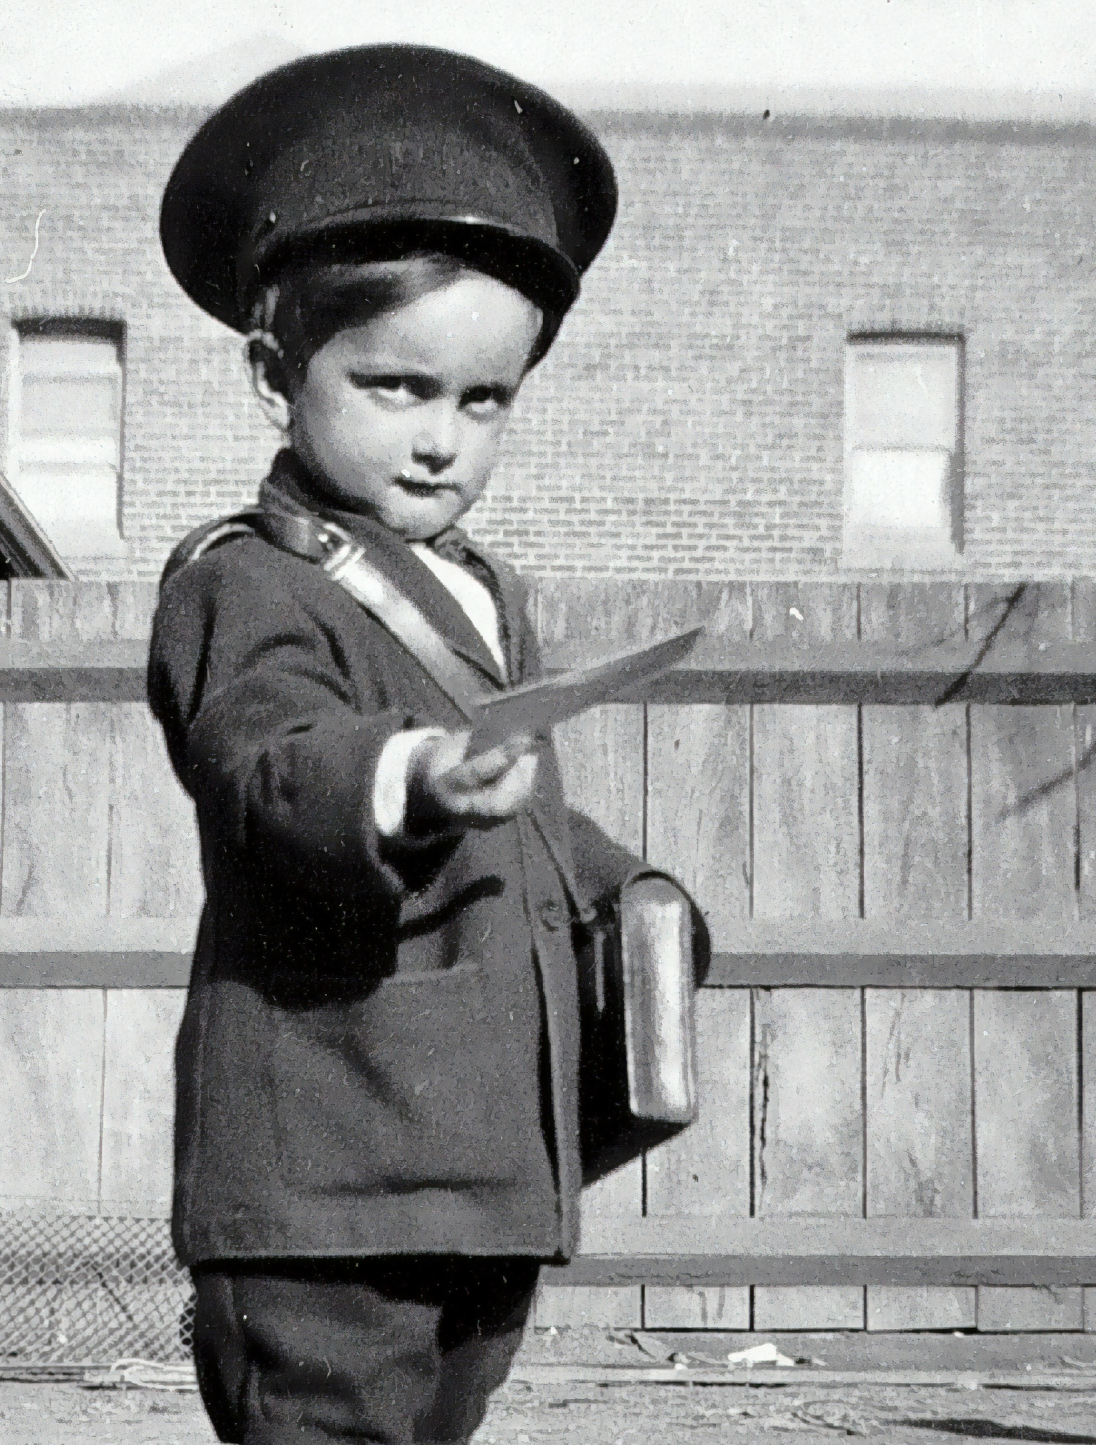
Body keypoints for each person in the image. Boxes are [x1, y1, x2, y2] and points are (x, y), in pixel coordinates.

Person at [149, 45, 683, 1444]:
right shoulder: (243, 581)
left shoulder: (485, 593)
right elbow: (272, 759)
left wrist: (626, 891)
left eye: (483, 399)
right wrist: (407, 775)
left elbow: (518, 816)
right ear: (275, 374)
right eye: (395, 386)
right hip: (326, 1176)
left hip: (480, 1161)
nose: (443, 438)